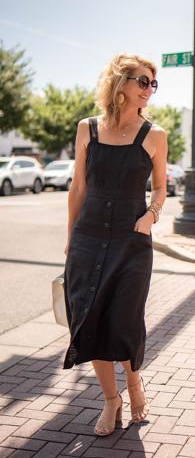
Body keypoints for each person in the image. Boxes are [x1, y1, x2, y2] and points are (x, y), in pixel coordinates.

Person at [63, 53, 167, 436]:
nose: (149, 89)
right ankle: (111, 400)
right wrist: (71, 239)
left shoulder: (154, 135)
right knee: (89, 320)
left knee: (124, 320)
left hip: (132, 240)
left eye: (153, 83)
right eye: (143, 81)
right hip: (88, 238)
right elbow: (78, 187)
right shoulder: (87, 129)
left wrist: (151, 215)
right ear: (120, 83)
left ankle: (134, 382)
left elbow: (161, 187)